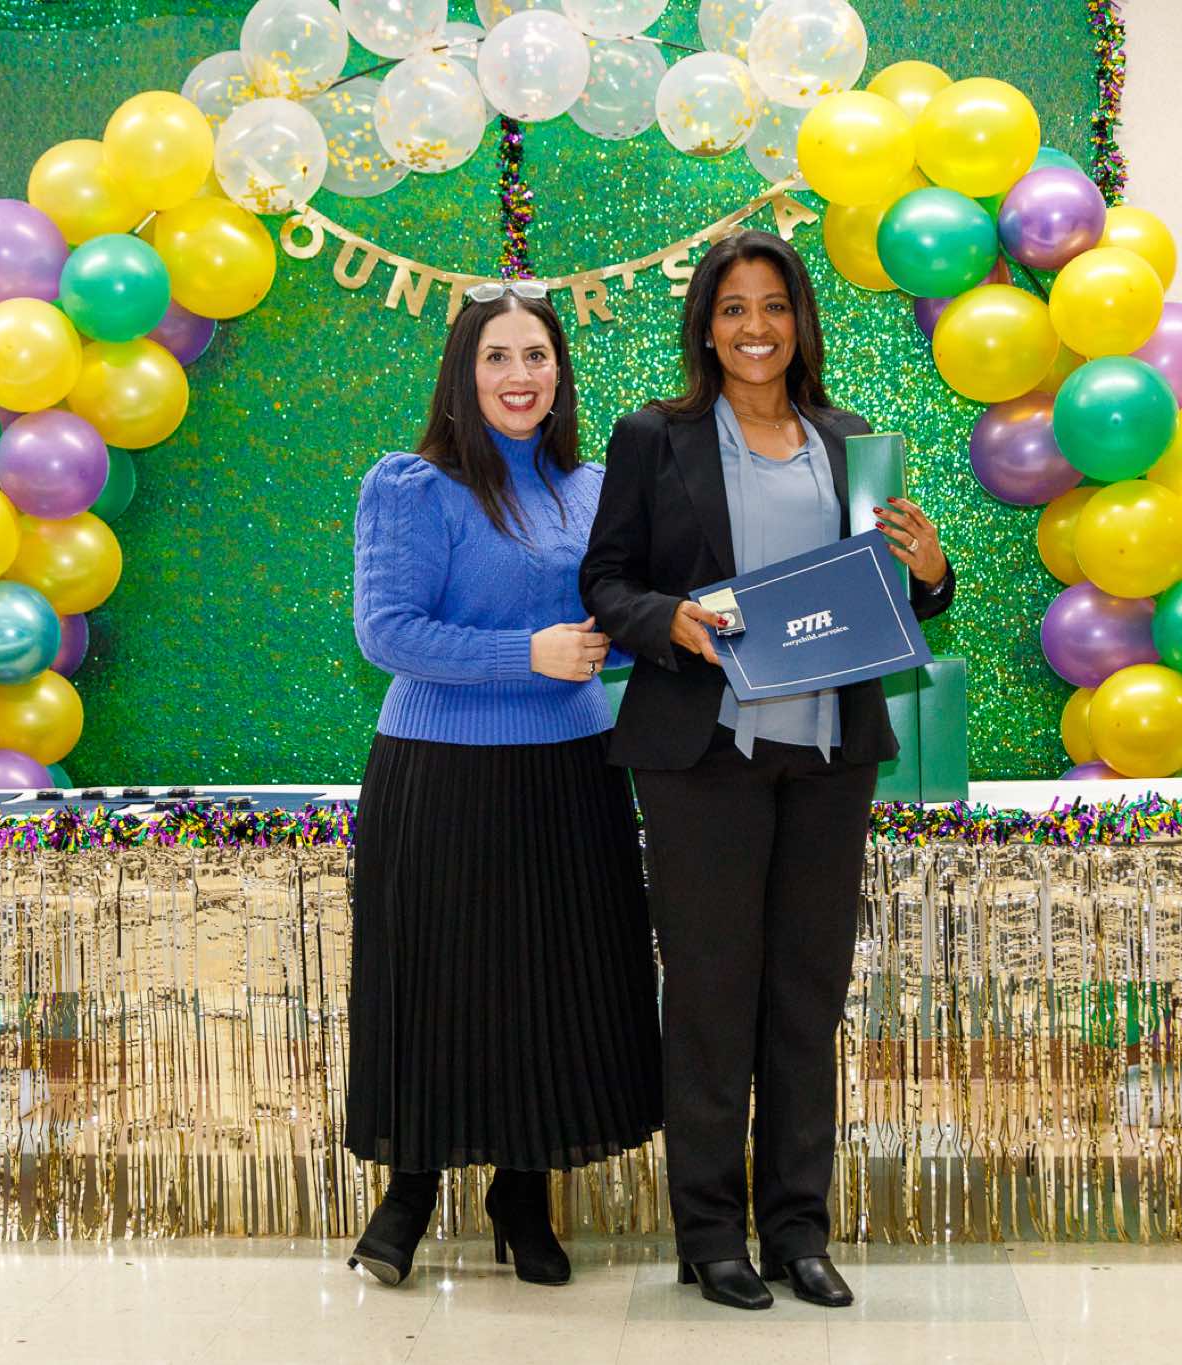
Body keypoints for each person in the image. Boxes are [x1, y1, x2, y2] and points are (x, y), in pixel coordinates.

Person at [580, 230, 956, 1311]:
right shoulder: (653, 437)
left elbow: (891, 593)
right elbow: (605, 582)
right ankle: (709, 1236)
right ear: (706, 325)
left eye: (774, 306)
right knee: (709, 998)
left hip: (829, 757)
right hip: (702, 757)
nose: (756, 327)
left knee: (805, 997)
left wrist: (932, 572)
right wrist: (669, 620)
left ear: (801, 322)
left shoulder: (850, 441)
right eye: (734, 308)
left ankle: (797, 1230)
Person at [343, 280, 662, 1289]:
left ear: (559, 374)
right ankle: (408, 1190)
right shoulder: (412, 486)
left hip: (571, 770)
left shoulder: (598, 487)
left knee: (550, 986)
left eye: (535, 356)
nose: (518, 376)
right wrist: (526, 653)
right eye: (495, 357)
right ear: (461, 374)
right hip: (439, 771)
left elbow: (612, 628)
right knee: (432, 983)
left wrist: (664, 633)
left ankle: (523, 1193)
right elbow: (386, 632)